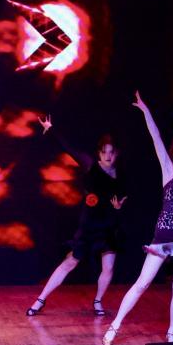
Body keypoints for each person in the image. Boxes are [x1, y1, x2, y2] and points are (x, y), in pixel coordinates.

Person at [103, 91, 173, 345]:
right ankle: (115, 325)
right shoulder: (168, 169)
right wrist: (145, 111)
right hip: (164, 237)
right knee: (142, 283)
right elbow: (155, 137)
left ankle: (171, 332)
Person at [26, 115, 125, 317]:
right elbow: (69, 148)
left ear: (116, 153)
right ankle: (40, 299)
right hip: (90, 225)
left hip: (109, 226)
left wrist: (118, 207)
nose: (108, 156)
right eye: (104, 152)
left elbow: (120, 199)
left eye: (111, 152)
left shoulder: (120, 174)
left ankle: (97, 301)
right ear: (99, 153)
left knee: (108, 268)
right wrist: (51, 129)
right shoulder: (90, 165)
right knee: (70, 262)